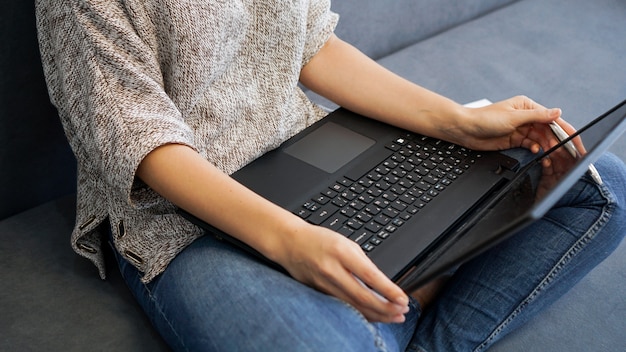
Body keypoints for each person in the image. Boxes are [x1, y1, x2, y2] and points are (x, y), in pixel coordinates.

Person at [36, 0, 626, 351]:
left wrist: (457, 123)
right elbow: (136, 138)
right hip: (185, 216)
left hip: (318, 146)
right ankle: (410, 293)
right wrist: (290, 241)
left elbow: (310, 44)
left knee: (599, 189)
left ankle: (397, 309)